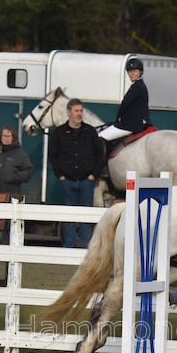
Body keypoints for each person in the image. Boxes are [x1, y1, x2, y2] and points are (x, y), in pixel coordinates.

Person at [49, 98, 103, 248]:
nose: (79, 114)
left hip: (86, 181)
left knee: (86, 217)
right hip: (67, 182)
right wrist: (60, 175)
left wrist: (93, 175)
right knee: (68, 217)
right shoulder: (59, 133)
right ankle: (68, 248)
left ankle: (85, 249)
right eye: (76, 111)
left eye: (81, 111)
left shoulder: (90, 131)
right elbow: (53, 155)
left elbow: (100, 154)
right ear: (68, 112)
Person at [98, 58, 152, 142]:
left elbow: (125, 104)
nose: (132, 74)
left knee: (100, 137)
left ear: (140, 72)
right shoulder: (138, 85)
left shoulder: (137, 87)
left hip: (131, 125)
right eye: (130, 71)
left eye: (134, 71)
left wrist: (118, 120)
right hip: (134, 123)